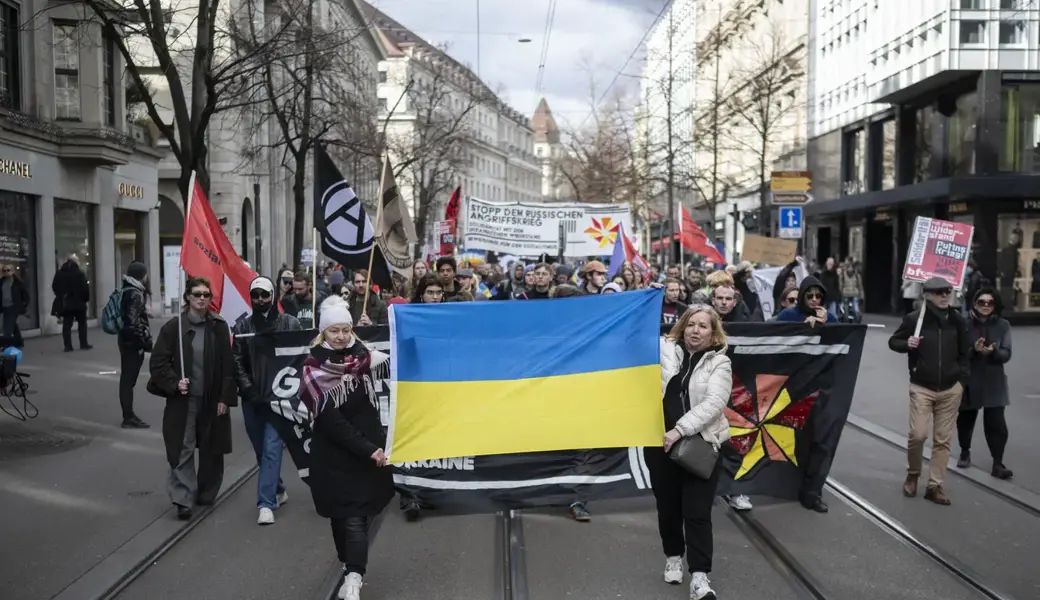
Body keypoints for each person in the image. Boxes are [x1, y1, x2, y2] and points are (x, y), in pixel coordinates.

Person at [300, 296, 393, 600]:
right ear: (323, 332)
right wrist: (368, 448)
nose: (341, 336)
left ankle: (354, 576)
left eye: (345, 330)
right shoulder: (313, 367)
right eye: (334, 331)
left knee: (356, 517)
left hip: (366, 454)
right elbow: (331, 422)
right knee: (341, 518)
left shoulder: (365, 356)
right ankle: (347, 563)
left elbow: (400, 362)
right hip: (334, 457)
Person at [649, 305, 732, 600]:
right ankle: (673, 556)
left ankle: (699, 577)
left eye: (703, 326)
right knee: (668, 508)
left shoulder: (719, 364)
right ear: (682, 327)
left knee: (697, 513)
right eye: (691, 324)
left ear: (713, 334)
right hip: (659, 446)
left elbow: (714, 405)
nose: (696, 330)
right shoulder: (665, 350)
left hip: (700, 446)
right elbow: (632, 333)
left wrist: (679, 430)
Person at [148, 277, 236, 520]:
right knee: (183, 447)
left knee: (211, 447)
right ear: (187, 297)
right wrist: (174, 382)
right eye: (197, 294)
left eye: (206, 294)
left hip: (211, 398)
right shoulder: (173, 328)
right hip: (183, 400)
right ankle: (183, 498)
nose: (201, 298)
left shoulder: (218, 326)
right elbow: (158, 362)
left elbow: (228, 366)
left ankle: (206, 493)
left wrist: (225, 398)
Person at [888, 276, 970, 505]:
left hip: (950, 389)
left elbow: (966, 354)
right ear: (928, 295)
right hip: (922, 386)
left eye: (947, 291)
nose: (945, 296)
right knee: (918, 434)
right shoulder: (915, 319)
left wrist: (961, 382)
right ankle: (913, 473)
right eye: (939, 292)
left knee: (942, 439)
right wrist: (908, 344)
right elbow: (893, 342)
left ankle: (935, 485)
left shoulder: (958, 321)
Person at [232, 276, 302, 525]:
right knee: (262, 450)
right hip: (253, 399)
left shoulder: (290, 323)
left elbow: (301, 357)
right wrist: (249, 390)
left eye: (265, 294)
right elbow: (237, 360)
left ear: (273, 295)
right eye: (256, 295)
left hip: (280, 398)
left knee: (273, 447)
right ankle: (278, 489)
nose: (261, 299)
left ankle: (265, 503)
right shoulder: (242, 327)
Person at [957, 288, 1013, 480]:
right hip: (970, 377)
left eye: (990, 303)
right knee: (966, 418)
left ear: (995, 305)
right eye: (982, 302)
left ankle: (998, 462)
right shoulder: (964, 323)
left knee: (996, 423)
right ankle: (965, 451)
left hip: (993, 378)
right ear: (974, 303)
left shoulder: (1003, 325)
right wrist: (973, 350)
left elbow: (1007, 353)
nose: (986, 306)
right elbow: (958, 351)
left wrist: (994, 353)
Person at [118, 262, 153, 429]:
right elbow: (132, 323)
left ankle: (128, 415)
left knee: (127, 379)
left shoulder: (127, 289)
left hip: (125, 341)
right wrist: (144, 343)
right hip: (132, 343)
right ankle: (128, 417)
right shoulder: (136, 294)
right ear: (142, 275)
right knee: (128, 380)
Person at [52, 254, 92, 352]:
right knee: (82, 324)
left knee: (67, 325)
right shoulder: (79, 273)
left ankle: (68, 346)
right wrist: (85, 299)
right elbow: (85, 289)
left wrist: (61, 296)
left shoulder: (60, 273)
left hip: (67, 303)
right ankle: (83, 343)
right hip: (79, 303)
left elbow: (55, 286)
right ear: (75, 262)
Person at [0, 263, 30, 344]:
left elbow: (25, 295)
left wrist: (24, 304)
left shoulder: (18, 283)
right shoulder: (2, 282)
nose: (6, 272)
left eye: (8, 270)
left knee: (7, 327)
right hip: (4, 307)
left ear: (12, 271)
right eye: (4, 270)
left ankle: (6, 344)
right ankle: (19, 341)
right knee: (13, 325)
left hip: (13, 307)